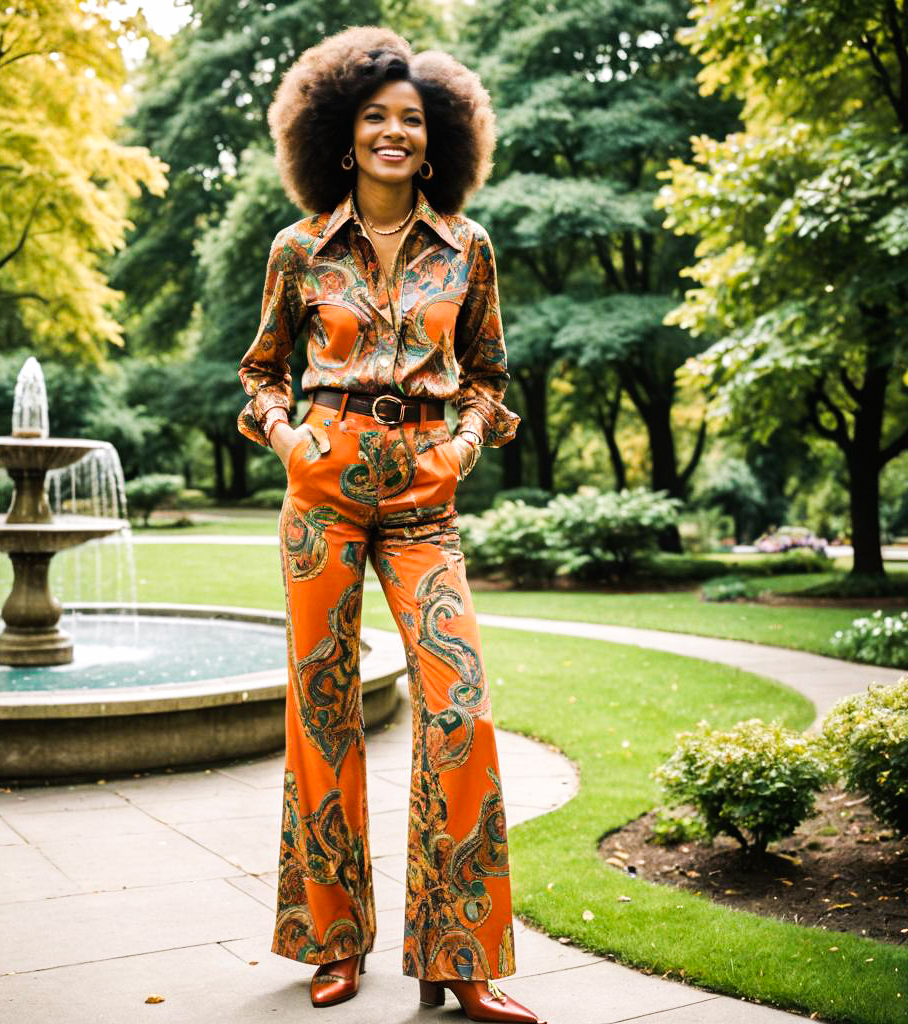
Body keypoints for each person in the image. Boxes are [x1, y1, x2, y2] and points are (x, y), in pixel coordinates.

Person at [237, 26, 545, 1024]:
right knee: (322, 715)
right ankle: (332, 942)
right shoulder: (296, 249)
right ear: (337, 134)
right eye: (375, 117)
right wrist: (288, 441)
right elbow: (257, 375)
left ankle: (456, 955)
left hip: (425, 498)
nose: (394, 132)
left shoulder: (469, 248)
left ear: (439, 137)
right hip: (321, 490)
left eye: (412, 120)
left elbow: (491, 380)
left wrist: (461, 446)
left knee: (458, 706)